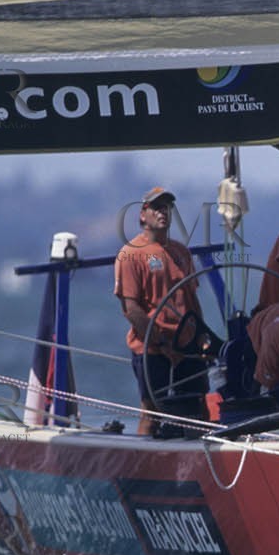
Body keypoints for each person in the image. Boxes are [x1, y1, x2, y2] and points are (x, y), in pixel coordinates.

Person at [113, 186, 210, 436]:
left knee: (198, 406)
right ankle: (142, 464)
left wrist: (202, 336)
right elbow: (131, 309)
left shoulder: (181, 252)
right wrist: (162, 343)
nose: (163, 213)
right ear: (143, 215)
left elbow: (191, 300)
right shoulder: (131, 254)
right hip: (153, 348)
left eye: (166, 208)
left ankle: (203, 457)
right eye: (156, 208)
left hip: (187, 345)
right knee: (152, 411)